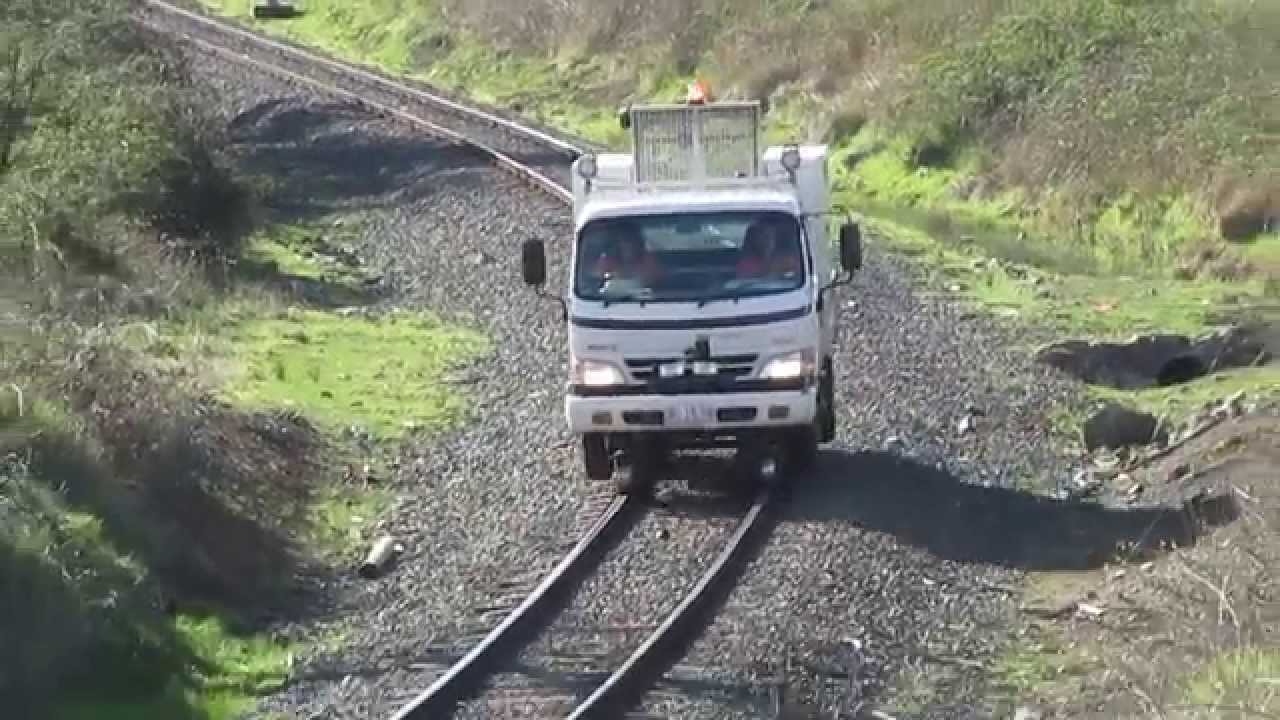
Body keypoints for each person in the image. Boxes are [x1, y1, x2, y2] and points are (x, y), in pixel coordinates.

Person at [594, 225, 661, 284]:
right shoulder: (606, 261)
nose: (627, 245)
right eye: (623, 240)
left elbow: (655, 282)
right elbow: (598, 282)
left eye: (630, 240)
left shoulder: (648, 260)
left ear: (638, 242)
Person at [735, 219, 802, 278]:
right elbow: (744, 283)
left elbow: (799, 276)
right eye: (762, 237)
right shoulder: (747, 263)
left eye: (769, 236)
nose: (766, 241)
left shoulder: (788, 260)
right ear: (754, 240)